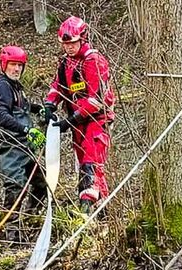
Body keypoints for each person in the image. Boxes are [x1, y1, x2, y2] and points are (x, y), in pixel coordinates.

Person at [43, 16, 116, 213]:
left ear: (82, 39)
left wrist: (72, 119)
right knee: (83, 161)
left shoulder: (93, 61)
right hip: (77, 122)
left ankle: (84, 213)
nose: (69, 47)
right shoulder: (65, 63)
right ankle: (103, 210)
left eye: (72, 43)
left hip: (96, 120)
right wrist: (49, 104)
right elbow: (57, 86)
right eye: (65, 44)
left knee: (90, 164)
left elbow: (97, 99)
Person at [0, 44, 48, 213]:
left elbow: (21, 107)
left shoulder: (15, 86)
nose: (17, 69)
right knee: (16, 189)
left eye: (20, 65)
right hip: (10, 147)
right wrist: (27, 130)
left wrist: (39, 109)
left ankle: (30, 216)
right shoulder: (2, 86)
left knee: (41, 185)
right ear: (4, 64)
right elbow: (2, 116)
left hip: (23, 148)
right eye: (13, 64)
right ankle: (12, 233)